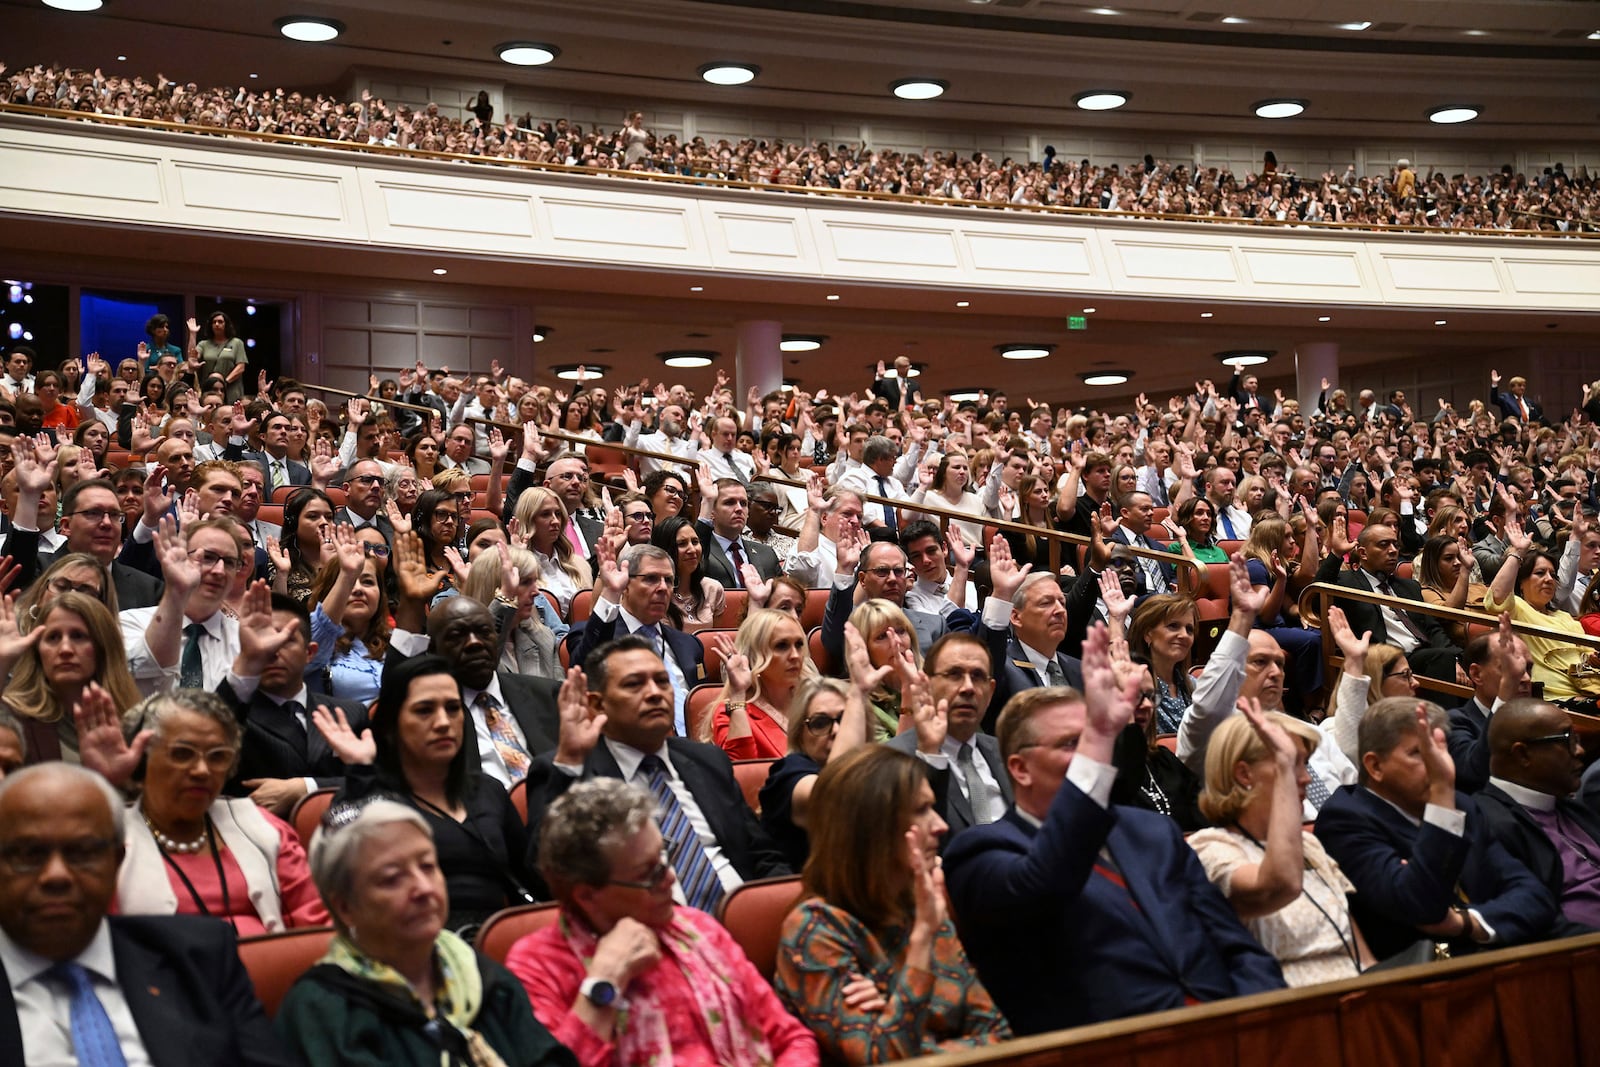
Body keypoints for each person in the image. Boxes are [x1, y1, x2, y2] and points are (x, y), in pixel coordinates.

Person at [943, 625, 1283, 1035]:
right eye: (1074, 744)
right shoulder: (980, 852)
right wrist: (1101, 736)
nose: (1092, 755)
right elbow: (1048, 880)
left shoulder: (1152, 832)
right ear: (1019, 768)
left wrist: (1262, 1017)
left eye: (1090, 741)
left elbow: (1235, 945)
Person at [0, 762, 297, 1066]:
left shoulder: (197, 957)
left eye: (83, 852)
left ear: (117, 862)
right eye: (28, 854)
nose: (56, 875)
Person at [506, 778, 818, 1067]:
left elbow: (791, 1038)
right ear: (587, 895)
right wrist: (604, 983)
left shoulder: (698, 928)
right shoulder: (538, 965)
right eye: (648, 874)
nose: (671, 878)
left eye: (664, 858)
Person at [276, 798, 576, 1067]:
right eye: (392, 879)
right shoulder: (322, 1012)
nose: (423, 888)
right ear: (345, 907)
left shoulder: (481, 976)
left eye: (429, 866)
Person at [775, 745, 1010, 1061]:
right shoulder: (815, 930)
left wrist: (894, 1009)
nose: (941, 825)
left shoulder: (915, 904)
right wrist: (923, 939)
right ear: (874, 829)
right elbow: (884, 1058)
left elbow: (999, 1035)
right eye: (922, 809)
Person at [521, 636, 791, 908]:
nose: (654, 693)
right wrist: (570, 761)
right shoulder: (572, 771)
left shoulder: (706, 761)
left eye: (662, 682)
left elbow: (763, 854)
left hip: (745, 919)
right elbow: (543, 875)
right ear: (597, 705)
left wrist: (779, 908)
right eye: (634, 684)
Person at [1313, 697, 1558, 960]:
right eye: (1419, 753)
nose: (1439, 764)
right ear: (1375, 766)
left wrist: (1466, 923)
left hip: (1496, 953)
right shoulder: (1345, 819)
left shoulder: (1461, 805)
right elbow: (1421, 905)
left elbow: (1535, 896)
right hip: (1419, 981)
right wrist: (1441, 792)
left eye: (1440, 751)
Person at [75, 685, 328, 934]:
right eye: (183, 754)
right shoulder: (111, 840)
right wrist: (100, 785)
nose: (202, 770)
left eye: (217, 756)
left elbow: (316, 925)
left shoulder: (265, 828)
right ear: (143, 759)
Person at [315, 654, 536, 936]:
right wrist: (361, 772)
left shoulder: (487, 790)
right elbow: (344, 875)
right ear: (391, 726)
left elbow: (532, 880)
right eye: (424, 710)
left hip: (496, 945)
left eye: (453, 708)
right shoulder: (367, 790)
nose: (443, 722)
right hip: (409, 947)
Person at [1188, 704, 1371, 985]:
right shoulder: (1209, 849)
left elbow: (1363, 956)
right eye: (1290, 762)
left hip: (1359, 1000)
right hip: (1286, 1008)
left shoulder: (1309, 845)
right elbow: (1280, 884)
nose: (1306, 777)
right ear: (1244, 774)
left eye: (1302, 763)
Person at [218, 588, 373, 815]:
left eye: (286, 639)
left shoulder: (350, 713)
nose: (272, 650)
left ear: (309, 652)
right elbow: (203, 738)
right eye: (263, 639)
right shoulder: (234, 714)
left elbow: (381, 783)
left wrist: (305, 788)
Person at [1472, 697, 1600, 935]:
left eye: (1577, 740)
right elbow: (1534, 923)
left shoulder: (1569, 806)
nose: (1580, 751)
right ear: (1522, 754)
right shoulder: (1489, 825)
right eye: (1566, 740)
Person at [572, 541, 704, 738]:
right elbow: (584, 668)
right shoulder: (593, 635)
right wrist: (611, 591)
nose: (662, 588)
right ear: (625, 585)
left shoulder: (689, 644)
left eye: (668, 580)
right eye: (651, 579)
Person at [886, 632, 1013, 837]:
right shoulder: (893, 761)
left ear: (990, 693)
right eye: (954, 674)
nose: (968, 688)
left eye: (978, 676)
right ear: (926, 684)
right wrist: (931, 757)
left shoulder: (1007, 752)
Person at [3, 591, 143, 765]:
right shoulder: (12, 718)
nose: (65, 649)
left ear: (103, 647)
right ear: (38, 651)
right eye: (53, 637)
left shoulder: (136, 725)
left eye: (78, 636)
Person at [759, 673, 871, 870]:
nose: (837, 730)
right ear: (799, 734)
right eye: (820, 723)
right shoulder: (788, 773)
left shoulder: (871, 768)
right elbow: (834, 796)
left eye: (845, 719)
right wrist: (857, 695)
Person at [1483, 516, 1600, 702]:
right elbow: (1494, 599)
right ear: (1521, 583)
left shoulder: (1566, 617)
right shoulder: (1517, 608)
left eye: (1552, 575)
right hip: (1555, 697)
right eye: (1539, 573)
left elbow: (1586, 656)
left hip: (1590, 691)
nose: (1548, 579)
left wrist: (1593, 658)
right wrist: (1518, 553)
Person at [708, 608, 816, 758]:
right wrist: (738, 695)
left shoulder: (814, 702)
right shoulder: (731, 711)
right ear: (754, 655)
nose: (795, 655)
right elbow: (743, 771)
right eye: (782, 646)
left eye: (798, 645)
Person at [1448, 619, 1534, 794]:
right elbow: (1474, 774)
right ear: (1476, 674)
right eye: (1508, 668)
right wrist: (1506, 690)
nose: (1524, 678)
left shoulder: (1539, 723)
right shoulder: (1453, 722)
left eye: (1527, 668)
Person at [651, 514, 725, 631]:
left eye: (695, 542)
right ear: (665, 550)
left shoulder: (713, 588)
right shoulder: (656, 592)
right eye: (682, 544)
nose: (692, 550)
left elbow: (717, 639)